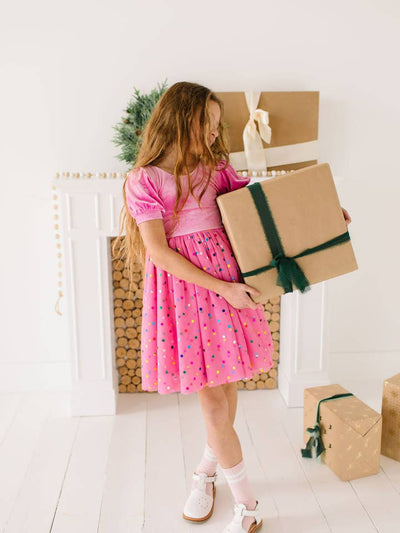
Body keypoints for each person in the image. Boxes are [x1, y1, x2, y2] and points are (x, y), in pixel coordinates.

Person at [116, 81, 352, 533]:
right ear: (181, 118)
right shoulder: (143, 181)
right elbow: (160, 253)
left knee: (224, 391)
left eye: (216, 125)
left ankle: (206, 473)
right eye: (206, 123)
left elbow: (262, 209)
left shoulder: (216, 168)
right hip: (188, 296)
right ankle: (247, 505)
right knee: (212, 404)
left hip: (227, 286)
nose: (212, 133)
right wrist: (222, 289)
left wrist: (325, 215)